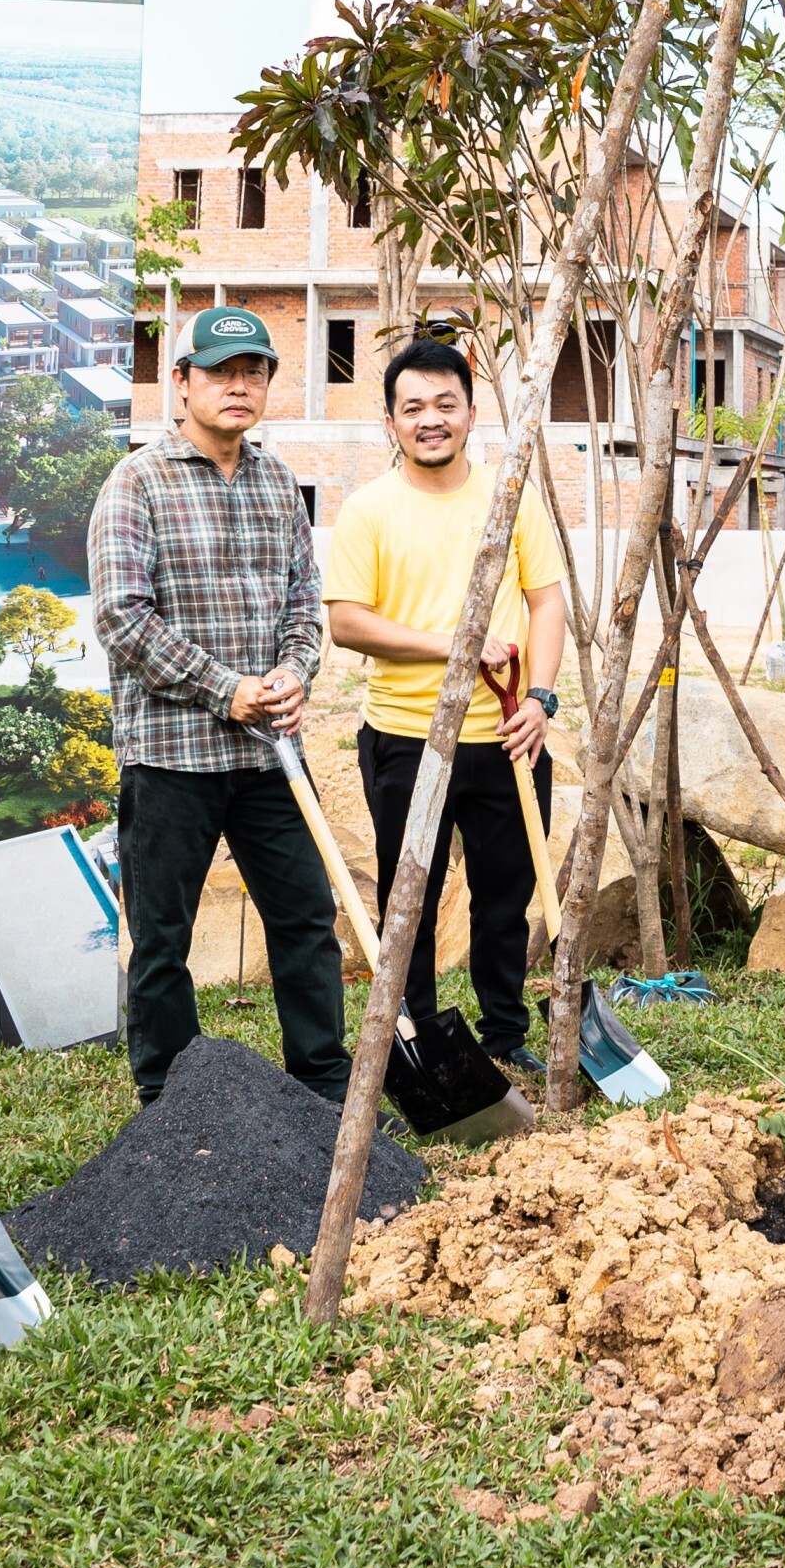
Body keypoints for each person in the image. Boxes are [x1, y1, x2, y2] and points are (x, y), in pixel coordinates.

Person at [89, 303, 339, 1108]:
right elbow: (122, 618)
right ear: (182, 382)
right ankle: (167, 1101)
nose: (239, 386)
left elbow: (306, 601)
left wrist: (295, 671)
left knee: (305, 922)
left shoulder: (275, 480)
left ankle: (325, 1092)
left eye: (253, 372)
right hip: (171, 757)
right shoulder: (136, 482)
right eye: (221, 372)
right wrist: (224, 688)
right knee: (162, 942)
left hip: (270, 756)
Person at [324, 336, 569, 1068]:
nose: (430, 420)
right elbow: (346, 623)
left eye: (444, 404)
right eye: (412, 408)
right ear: (391, 423)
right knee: (413, 905)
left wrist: (541, 699)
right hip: (405, 739)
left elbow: (546, 602)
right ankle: (425, 1042)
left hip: (506, 735)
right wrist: (456, 644)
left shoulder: (509, 497)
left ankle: (506, 1038)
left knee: (506, 899)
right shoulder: (368, 510)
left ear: (469, 414)